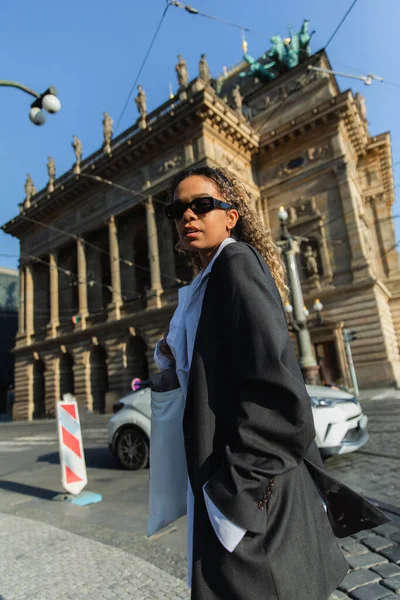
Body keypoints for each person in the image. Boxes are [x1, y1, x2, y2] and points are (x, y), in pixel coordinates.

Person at [154, 166, 386, 600]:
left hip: (254, 494)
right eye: (178, 209)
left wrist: (238, 494)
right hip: (234, 486)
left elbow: (277, 391)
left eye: (202, 205)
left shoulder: (235, 263)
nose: (188, 216)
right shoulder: (207, 279)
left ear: (231, 215)